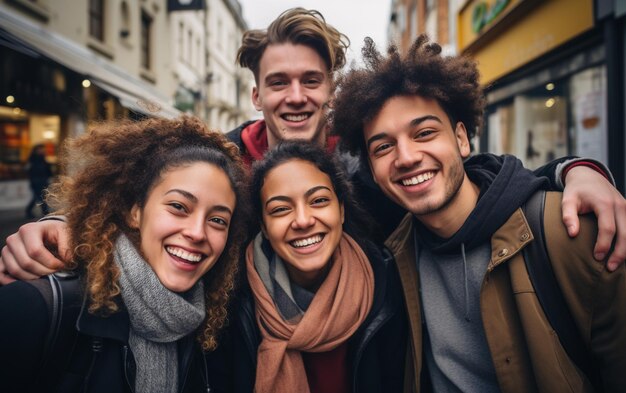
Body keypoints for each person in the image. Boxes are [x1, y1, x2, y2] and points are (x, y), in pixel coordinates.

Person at [1, 8, 625, 278]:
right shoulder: (210, 163)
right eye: (278, 82)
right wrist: (59, 224)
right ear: (257, 96)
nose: (295, 95)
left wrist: (576, 168)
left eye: (310, 80)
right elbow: (135, 209)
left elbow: (477, 177)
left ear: (331, 90)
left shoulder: (370, 160)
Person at [331, 34, 626, 392]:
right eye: (383, 147)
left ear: (461, 139)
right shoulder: (394, 257)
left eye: (424, 133)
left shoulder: (570, 233)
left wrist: (577, 169)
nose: (406, 157)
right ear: (373, 171)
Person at [0, 116, 248, 393]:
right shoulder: (37, 306)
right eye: (179, 206)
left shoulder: (205, 324)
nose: (198, 233)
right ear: (135, 212)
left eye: (217, 220)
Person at [213, 141, 405, 393]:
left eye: (318, 201)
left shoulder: (387, 280)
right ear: (263, 227)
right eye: (281, 209)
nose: (303, 220)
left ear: (341, 210)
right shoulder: (230, 301)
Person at [25, 143, 53, 218]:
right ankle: (45, 212)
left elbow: (47, 170)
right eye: (40, 149)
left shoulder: (43, 159)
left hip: (43, 181)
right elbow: (30, 171)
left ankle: (29, 211)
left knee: (39, 197)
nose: (42, 150)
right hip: (36, 182)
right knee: (40, 197)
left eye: (43, 149)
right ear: (36, 150)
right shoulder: (32, 160)